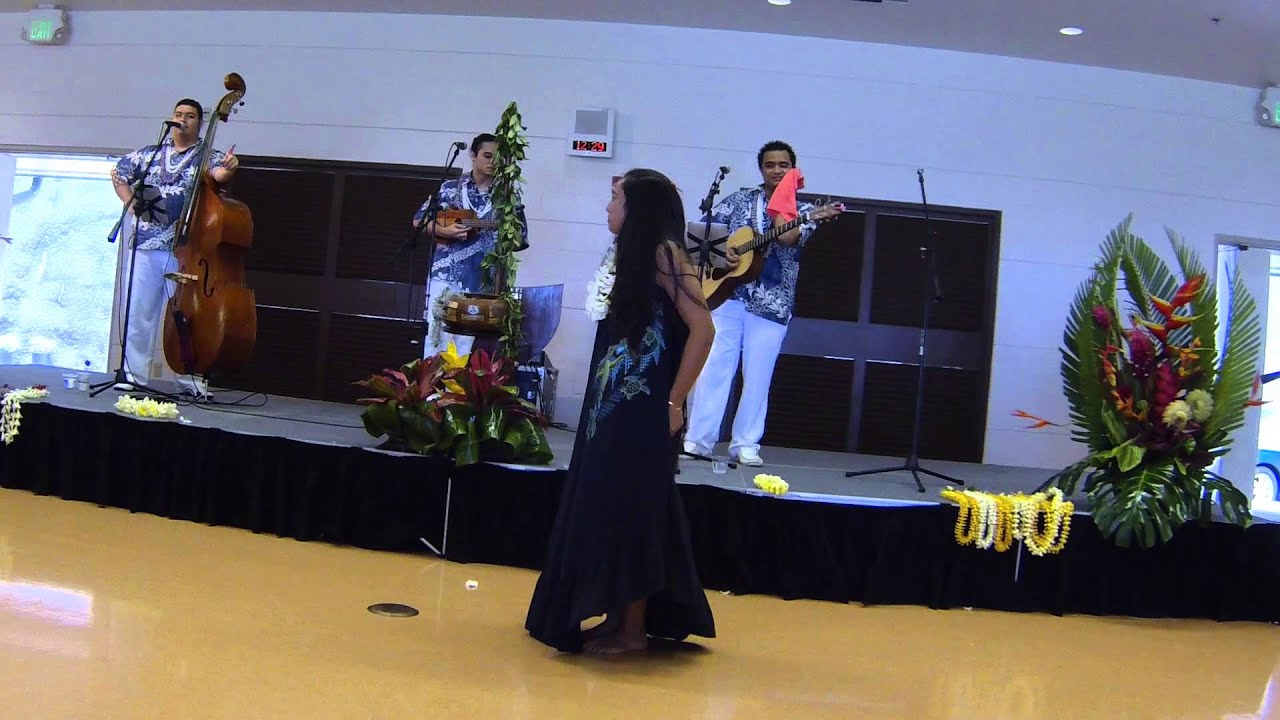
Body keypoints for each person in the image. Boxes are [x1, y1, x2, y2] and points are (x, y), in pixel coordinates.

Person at [525, 169, 717, 655]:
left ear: (638, 208)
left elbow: (703, 329)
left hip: (645, 409)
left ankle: (633, 631)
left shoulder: (666, 253)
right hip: (610, 408)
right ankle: (615, 617)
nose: (607, 208)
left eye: (614, 198)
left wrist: (675, 401)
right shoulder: (627, 257)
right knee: (609, 505)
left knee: (635, 510)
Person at [683, 140, 817, 467]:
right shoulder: (741, 199)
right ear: (761, 169)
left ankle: (745, 443)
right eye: (770, 165)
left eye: (783, 165)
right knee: (714, 366)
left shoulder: (804, 211)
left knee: (758, 374)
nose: (776, 170)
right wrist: (722, 253)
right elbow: (703, 232)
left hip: (771, 302)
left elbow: (787, 238)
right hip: (728, 295)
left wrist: (784, 198)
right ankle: (698, 439)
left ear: (792, 169)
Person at [110, 97, 238, 396]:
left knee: (186, 317)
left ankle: (188, 379)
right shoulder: (151, 155)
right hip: (145, 244)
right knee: (138, 311)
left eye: (190, 116)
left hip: (186, 252)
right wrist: (131, 206)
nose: (183, 119)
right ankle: (133, 375)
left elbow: (220, 175)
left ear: (199, 122)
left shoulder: (208, 155)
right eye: (178, 114)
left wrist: (230, 168)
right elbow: (118, 173)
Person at [413, 133, 529, 357]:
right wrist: (445, 230)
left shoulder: (506, 196)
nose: (492, 162)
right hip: (445, 276)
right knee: (437, 340)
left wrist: (502, 230)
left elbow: (521, 238)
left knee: (467, 347)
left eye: (498, 158)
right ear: (473, 156)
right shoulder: (449, 188)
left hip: (483, 281)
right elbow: (418, 221)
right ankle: (432, 391)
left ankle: (461, 391)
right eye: (487, 155)